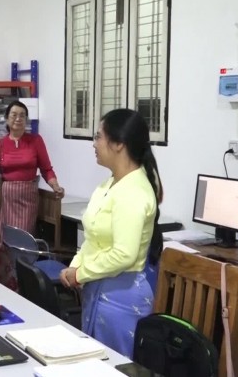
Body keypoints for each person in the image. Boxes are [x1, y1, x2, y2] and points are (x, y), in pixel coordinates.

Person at [59, 109, 162, 358]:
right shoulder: (109, 185)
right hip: (98, 288)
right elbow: (92, 238)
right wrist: (75, 266)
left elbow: (124, 254)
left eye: (98, 137)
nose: (93, 144)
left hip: (121, 298)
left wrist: (80, 274)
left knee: (114, 365)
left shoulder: (134, 191)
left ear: (118, 144)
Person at [0, 100, 64, 289]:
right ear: (7, 119)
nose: (18, 119)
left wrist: (55, 186)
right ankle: (6, 286)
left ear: (26, 120)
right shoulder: (0, 143)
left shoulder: (36, 141)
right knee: (5, 242)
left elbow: (46, 168)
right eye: (14, 115)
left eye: (22, 115)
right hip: (6, 200)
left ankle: (25, 285)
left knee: (23, 241)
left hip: (27, 198)